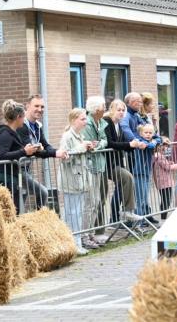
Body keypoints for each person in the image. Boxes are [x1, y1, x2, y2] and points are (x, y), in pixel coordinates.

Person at [17, 94, 68, 209]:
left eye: (42, 107)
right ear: (27, 106)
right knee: (43, 192)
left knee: (20, 203)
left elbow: (45, 145)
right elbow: (33, 150)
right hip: (16, 170)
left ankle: (35, 223)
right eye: (36, 106)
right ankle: (39, 222)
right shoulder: (21, 125)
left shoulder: (37, 126)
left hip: (26, 169)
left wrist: (55, 151)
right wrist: (54, 153)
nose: (40, 110)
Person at [58, 108, 95, 254]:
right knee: (72, 213)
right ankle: (73, 244)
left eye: (86, 119)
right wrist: (81, 147)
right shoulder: (67, 136)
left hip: (80, 179)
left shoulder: (79, 136)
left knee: (77, 213)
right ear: (74, 120)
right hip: (71, 179)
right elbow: (65, 158)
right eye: (83, 119)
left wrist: (89, 147)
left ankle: (77, 243)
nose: (86, 122)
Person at [0, 100, 39, 213]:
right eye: (23, 117)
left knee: (15, 211)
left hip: (11, 178)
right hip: (4, 180)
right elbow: (2, 155)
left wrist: (27, 150)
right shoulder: (5, 134)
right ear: (18, 117)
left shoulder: (12, 132)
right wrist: (24, 151)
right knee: (9, 213)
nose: (24, 120)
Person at [103, 99, 145, 224]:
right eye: (118, 110)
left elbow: (124, 144)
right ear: (111, 110)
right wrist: (129, 144)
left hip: (117, 162)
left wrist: (135, 145)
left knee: (123, 185)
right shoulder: (107, 122)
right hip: (107, 164)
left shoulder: (119, 124)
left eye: (123, 110)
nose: (121, 113)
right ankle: (127, 211)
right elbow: (110, 143)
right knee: (127, 177)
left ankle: (118, 216)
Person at [81, 96, 109, 246]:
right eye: (104, 106)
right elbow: (90, 145)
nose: (105, 108)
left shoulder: (100, 122)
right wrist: (98, 146)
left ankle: (90, 233)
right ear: (97, 109)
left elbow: (104, 140)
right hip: (90, 166)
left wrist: (99, 145)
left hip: (99, 165)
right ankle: (84, 236)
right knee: (90, 203)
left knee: (96, 201)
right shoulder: (88, 123)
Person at [132, 124, 158, 225]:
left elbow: (158, 139)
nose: (148, 135)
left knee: (145, 198)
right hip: (139, 173)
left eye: (150, 133)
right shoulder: (140, 141)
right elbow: (151, 145)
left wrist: (155, 140)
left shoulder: (151, 140)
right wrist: (152, 142)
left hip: (147, 172)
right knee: (140, 200)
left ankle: (142, 221)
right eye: (146, 133)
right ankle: (137, 223)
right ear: (141, 133)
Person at [152, 142, 177, 219]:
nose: (166, 148)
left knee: (165, 200)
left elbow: (163, 164)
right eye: (165, 146)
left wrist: (169, 162)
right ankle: (163, 217)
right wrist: (176, 166)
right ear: (159, 147)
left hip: (162, 182)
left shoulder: (157, 156)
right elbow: (166, 167)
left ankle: (163, 217)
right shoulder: (159, 156)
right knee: (166, 200)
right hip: (165, 182)